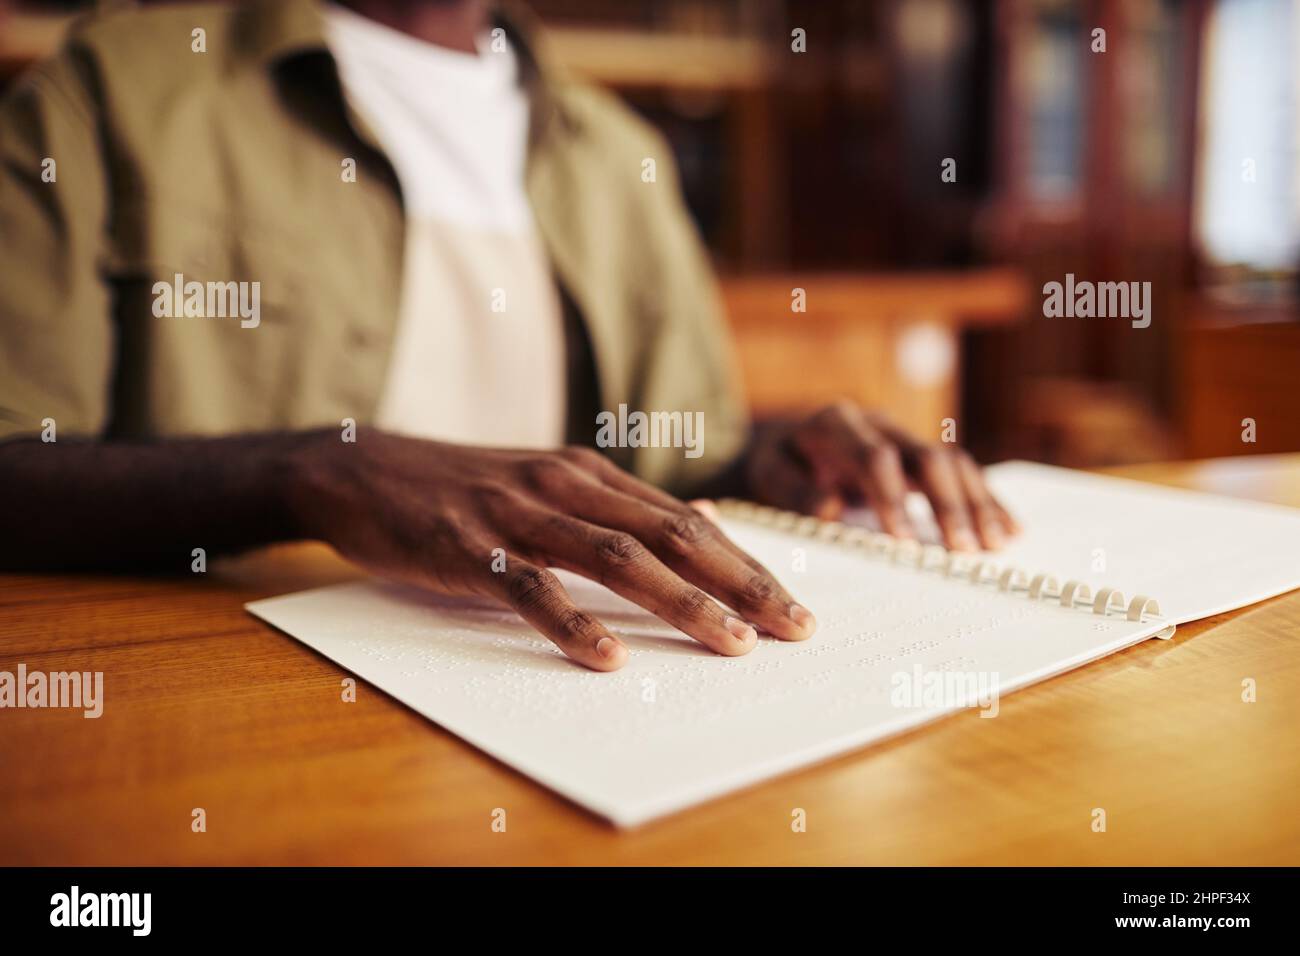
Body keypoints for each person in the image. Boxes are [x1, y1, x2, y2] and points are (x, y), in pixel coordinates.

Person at [0, 0, 1018, 670]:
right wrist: (315, 469)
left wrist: (781, 450)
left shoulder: (619, 153)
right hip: (244, 701)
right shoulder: (115, 90)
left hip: (547, 685)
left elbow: (671, 460)